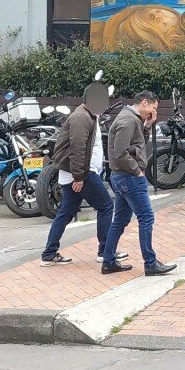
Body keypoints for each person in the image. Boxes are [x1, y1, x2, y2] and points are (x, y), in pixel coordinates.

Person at [40, 84, 127, 266]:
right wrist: (79, 177)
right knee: (105, 206)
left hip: (76, 171)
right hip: (81, 172)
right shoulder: (81, 117)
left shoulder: (89, 115)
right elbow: (77, 149)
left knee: (66, 212)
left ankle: (49, 253)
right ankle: (105, 251)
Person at [101, 91, 176, 277]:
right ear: (144, 103)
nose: (153, 111)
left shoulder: (132, 119)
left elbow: (138, 144)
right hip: (129, 177)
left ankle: (108, 261)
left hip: (121, 177)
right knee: (146, 217)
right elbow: (120, 152)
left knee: (120, 220)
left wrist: (147, 126)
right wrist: (137, 171)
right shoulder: (128, 120)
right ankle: (150, 263)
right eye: (153, 107)